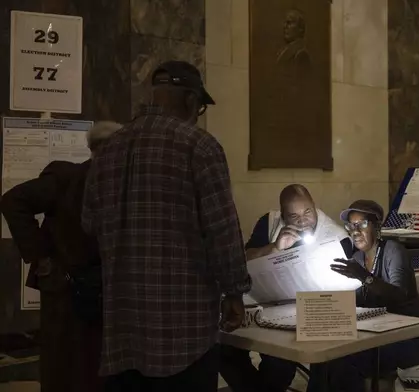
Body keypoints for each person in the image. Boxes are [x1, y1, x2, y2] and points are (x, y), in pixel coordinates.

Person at [81, 61, 251, 392]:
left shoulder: (108, 149)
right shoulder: (199, 146)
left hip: (123, 328)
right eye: (200, 107)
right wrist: (235, 290)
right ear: (190, 100)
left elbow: (89, 223)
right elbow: (223, 231)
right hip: (184, 334)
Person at [0, 121, 122, 392]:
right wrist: (41, 258)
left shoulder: (103, 182)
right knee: (67, 365)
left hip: (89, 289)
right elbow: (13, 201)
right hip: (67, 287)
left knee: (82, 365)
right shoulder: (68, 177)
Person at [219, 184, 350, 392]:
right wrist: (274, 248)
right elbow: (243, 259)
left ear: (315, 206)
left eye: (307, 213)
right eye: (293, 217)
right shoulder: (270, 222)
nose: (302, 221)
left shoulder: (336, 235)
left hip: (312, 313)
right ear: (283, 216)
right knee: (223, 348)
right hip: (265, 305)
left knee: (279, 364)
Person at [307, 200, 419, 392]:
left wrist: (363, 276)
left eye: (361, 224)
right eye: (350, 226)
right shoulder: (357, 260)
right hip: (374, 335)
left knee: (343, 360)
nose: (354, 231)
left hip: (407, 340)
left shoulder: (393, 251)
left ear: (376, 226)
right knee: (322, 357)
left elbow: (399, 296)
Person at [276, 9, 311, 73]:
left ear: (300, 29)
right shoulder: (283, 51)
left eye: (289, 23)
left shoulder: (301, 55)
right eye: (285, 23)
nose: (285, 26)